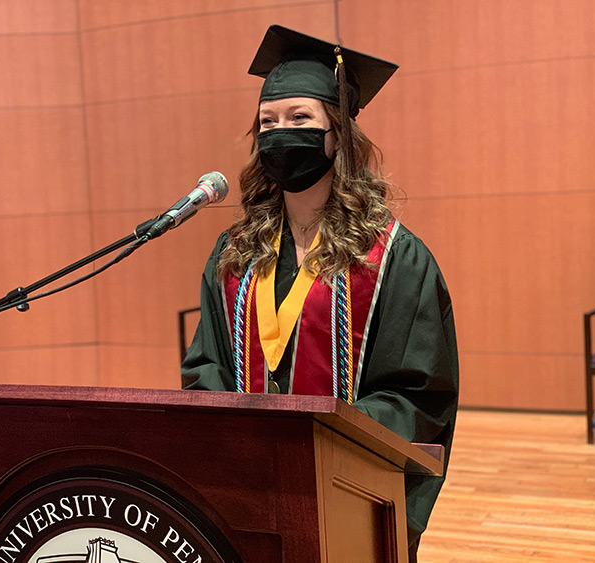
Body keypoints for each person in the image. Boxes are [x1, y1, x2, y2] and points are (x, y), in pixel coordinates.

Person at [182, 25, 458, 561]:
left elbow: (416, 397)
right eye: (267, 123)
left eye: (300, 119)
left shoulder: (394, 259)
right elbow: (205, 366)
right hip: (247, 487)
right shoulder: (235, 253)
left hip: (347, 491)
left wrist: (319, 445)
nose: (280, 133)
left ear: (338, 133)